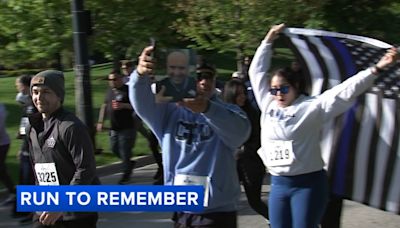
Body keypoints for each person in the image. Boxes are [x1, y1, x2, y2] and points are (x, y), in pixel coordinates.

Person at [248, 23, 398, 228]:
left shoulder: (311, 107)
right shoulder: (268, 105)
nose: (278, 94)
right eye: (274, 90)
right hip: (279, 185)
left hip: (308, 185)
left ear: (296, 87)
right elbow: (256, 73)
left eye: (283, 88)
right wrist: (268, 40)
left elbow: (346, 90)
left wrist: (378, 68)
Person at [129, 46, 251, 228]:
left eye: (208, 77)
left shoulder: (227, 110)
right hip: (182, 209)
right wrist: (139, 74)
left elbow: (241, 133)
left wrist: (206, 109)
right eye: (198, 76)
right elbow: (141, 101)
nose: (203, 82)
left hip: (216, 212)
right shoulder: (168, 112)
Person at [27, 70, 100, 227]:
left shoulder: (70, 127)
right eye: (35, 92)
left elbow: (86, 169)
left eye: (46, 92)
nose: (39, 97)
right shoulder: (33, 128)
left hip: (77, 214)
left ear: (59, 95)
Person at [223, 79, 269, 220]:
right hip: (230, 165)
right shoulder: (223, 113)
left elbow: (259, 139)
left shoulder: (252, 113)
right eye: (238, 94)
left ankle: (277, 221)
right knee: (225, 201)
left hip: (251, 163)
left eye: (243, 93)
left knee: (254, 202)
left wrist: (243, 150)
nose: (242, 97)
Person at [121, 60, 164, 184]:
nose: (151, 78)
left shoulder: (158, 86)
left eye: (152, 76)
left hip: (161, 120)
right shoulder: (146, 87)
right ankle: (161, 168)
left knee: (160, 145)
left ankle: (162, 171)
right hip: (152, 120)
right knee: (153, 145)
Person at [97, 70, 137, 185]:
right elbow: (104, 106)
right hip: (114, 127)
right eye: (110, 80)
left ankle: (126, 174)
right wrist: (100, 121)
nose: (112, 82)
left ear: (121, 79)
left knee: (124, 151)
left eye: (114, 79)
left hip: (127, 127)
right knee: (114, 148)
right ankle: (128, 163)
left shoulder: (128, 90)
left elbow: (137, 106)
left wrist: (123, 105)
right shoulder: (110, 91)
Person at [14, 74, 37, 223]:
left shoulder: (34, 104)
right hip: (25, 149)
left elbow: (34, 129)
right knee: (24, 180)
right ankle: (25, 211)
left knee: (30, 181)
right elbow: (25, 126)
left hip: (33, 150)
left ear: (25, 85)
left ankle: (32, 213)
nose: (17, 87)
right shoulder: (27, 104)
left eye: (18, 84)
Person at [0, 103, 16, 207]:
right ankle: (13, 192)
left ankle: (13, 192)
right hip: (3, 142)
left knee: (1, 169)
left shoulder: (0, 109)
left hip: (2, 144)